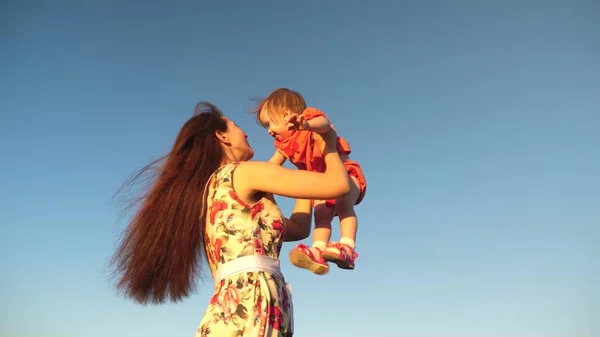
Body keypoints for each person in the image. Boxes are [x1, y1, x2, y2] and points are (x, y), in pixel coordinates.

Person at [110, 102, 350, 337]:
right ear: (222, 137)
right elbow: (339, 185)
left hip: (248, 308)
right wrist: (328, 142)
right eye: (235, 126)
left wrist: (304, 166)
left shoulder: (215, 189)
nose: (245, 132)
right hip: (251, 305)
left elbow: (299, 228)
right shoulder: (243, 172)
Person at [252, 88, 367, 275]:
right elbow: (271, 167)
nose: (269, 131)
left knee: (344, 204)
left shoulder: (308, 119)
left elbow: (325, 124)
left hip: (346, 173)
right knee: (321, 215)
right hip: (322, 182)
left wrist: (306, 124)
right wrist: (255, 181)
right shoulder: (283, 145)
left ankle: (347, 247)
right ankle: (319, 249)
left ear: (286, 114)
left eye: (269, 124)